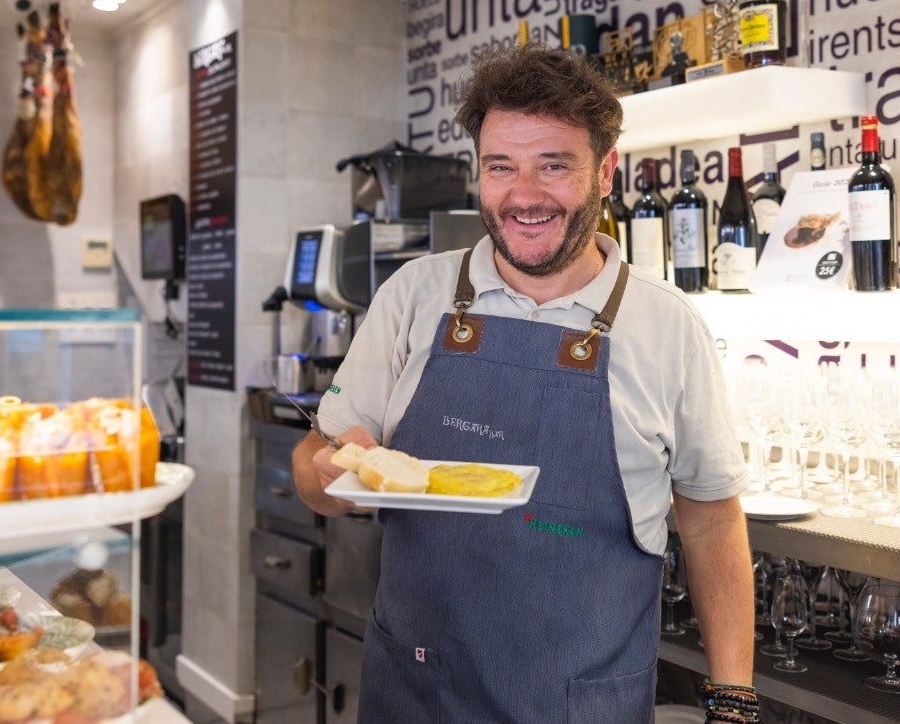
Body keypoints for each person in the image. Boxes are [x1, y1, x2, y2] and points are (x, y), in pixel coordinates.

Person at [291, 43, 757, 723]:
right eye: (500, 166)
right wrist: (329, 472)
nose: (524, 195)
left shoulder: (667, 327)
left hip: (581, 705)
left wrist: (734, 697)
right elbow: (315, 464)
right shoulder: (414, 297)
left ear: (605, 172)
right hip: (414, 694)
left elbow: (712, 520)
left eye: (554, 165)